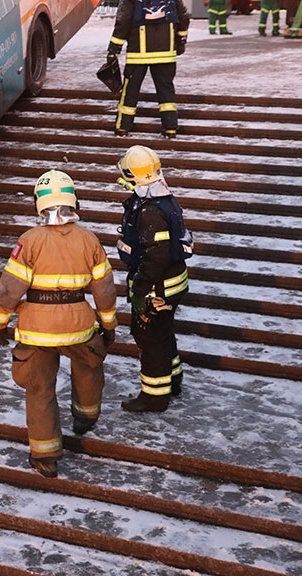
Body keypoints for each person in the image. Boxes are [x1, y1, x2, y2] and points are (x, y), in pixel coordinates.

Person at [0, 170, 117, 478]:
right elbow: (105, 288)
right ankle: (85, 417)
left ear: (38, 203)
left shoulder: (28, 241)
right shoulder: (89, 240)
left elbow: (9, 290)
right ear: (74, 201)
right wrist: (108, 324)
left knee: (39, 388)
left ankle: (45, 457)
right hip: (79, 323)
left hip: (36, 329)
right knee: (88, 368)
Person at [114, 145, 192, 413]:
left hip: (158, 287)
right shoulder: (161, 199)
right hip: (171, 282)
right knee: (163, 331)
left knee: (149, 337)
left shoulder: (150, 211)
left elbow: (156, 256)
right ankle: (173, 378)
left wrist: (141, 289)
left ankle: (154, 396)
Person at [105, 0, 190, 138]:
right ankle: (170, 128)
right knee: (166, 89)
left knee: (130, 90)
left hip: (138, 55)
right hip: (166, 53)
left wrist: (113, 50)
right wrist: (180, 40)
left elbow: (122, 24)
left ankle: (123, 127)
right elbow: (184, 16)